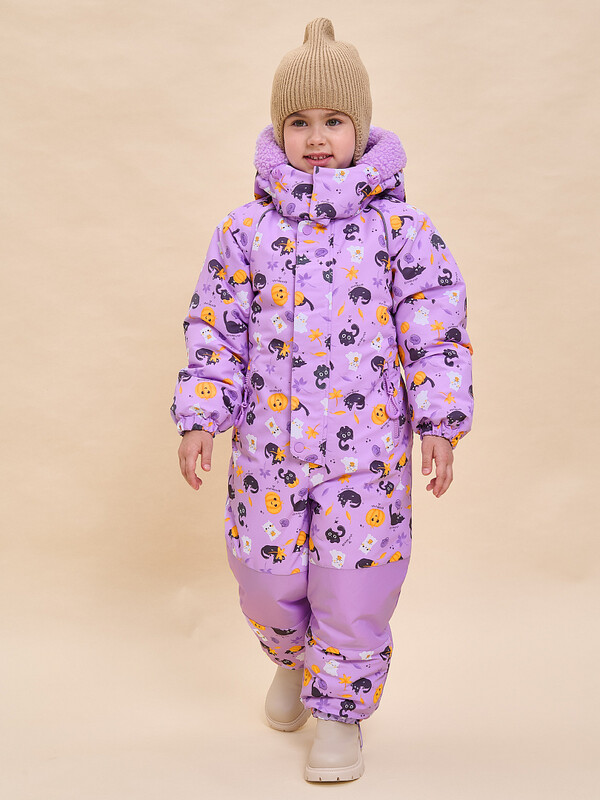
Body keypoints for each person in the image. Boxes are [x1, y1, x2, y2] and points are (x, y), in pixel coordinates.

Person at [170, 17, 474, 783]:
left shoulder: (400, 231)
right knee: (265, 583)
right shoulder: (244, 231)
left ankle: (339, 713)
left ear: (360, 130)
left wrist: (439, 421)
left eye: (333, 121)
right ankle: (294, 660)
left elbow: (435, 329)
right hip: (267, 455)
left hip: (365, 456)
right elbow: (216, 328)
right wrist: (202, 415)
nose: (315, 138)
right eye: (299, 121)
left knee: (353, 588)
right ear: (279, 131)